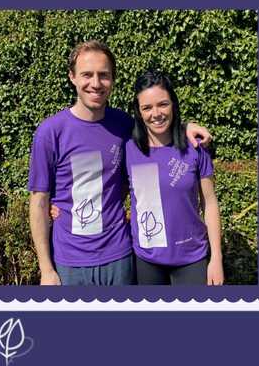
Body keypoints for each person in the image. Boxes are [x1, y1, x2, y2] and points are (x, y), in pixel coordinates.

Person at [27, 40, 211, 286]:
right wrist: (46, 268)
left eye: (104, 75)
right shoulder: (50, 132)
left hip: (120, 256)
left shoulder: (123, 125)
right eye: (87, 75)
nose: (95, 83)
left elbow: (157, 127)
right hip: (69, 262)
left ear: (112, 79)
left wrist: (186, 127)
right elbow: (39, 202)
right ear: (72, 77)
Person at [126, 71, 224, 285]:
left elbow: (210, 202)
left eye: (163, 104)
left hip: (191, 258)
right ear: (139, 112)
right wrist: (59, 205)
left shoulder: (195, 148)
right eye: (147, 108)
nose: (156, 113)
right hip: (146, 259)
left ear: (174, 104)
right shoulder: (129, 150)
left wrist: (216, 257)